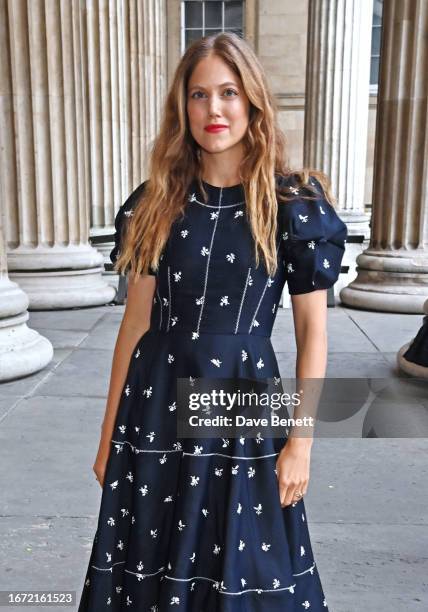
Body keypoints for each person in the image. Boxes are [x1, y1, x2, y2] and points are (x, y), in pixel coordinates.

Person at [78, 32, 347, 611]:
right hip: (154, 405)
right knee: (153, 560)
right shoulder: (156, 201)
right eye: (199, 95)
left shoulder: (294, 206)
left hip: (247, 402)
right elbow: (134, 328)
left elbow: (312, 335)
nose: (214, 109)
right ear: (183, 108)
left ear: (252, 101)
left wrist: (300, 442)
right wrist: (108, 438)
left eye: (228, 92)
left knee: (250, 564)